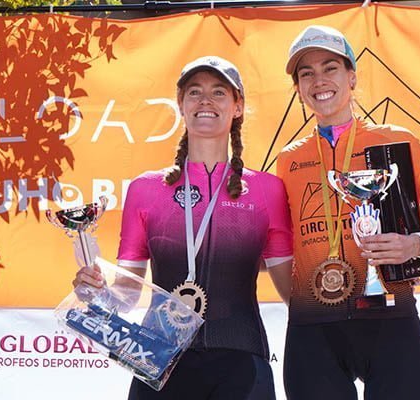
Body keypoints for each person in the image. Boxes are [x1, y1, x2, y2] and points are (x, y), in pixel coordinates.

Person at [73, 56, 293, 400]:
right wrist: (94, 291)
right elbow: (126, 295)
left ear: (237, 107)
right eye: (194, 92)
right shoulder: (145, 189)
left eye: (218, 92)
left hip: (241, 360)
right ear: (181, 104)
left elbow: (291, 292)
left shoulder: (268, 190)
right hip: (158, 361)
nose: (205, 100)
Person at [276, 26, 420, 400]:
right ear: (298, 89)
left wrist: (416, 244)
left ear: (351, 77)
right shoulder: (287, 160)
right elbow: (277, 249)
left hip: (390, 317)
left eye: (330, 68)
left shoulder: (396, 141)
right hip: (314, 329)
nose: (319, 80)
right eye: (306, 73)